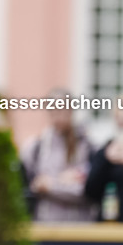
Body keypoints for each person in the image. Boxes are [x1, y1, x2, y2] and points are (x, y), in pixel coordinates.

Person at [21, 89, 96, 222]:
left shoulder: (88, 147)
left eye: (62, 110)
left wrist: (51, 185)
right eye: (53, 111)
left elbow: (87, 191)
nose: (58, 117)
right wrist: (63, 182)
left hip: (81, 227)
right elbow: (30, 186)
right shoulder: (36, 148)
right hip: (46, 226)